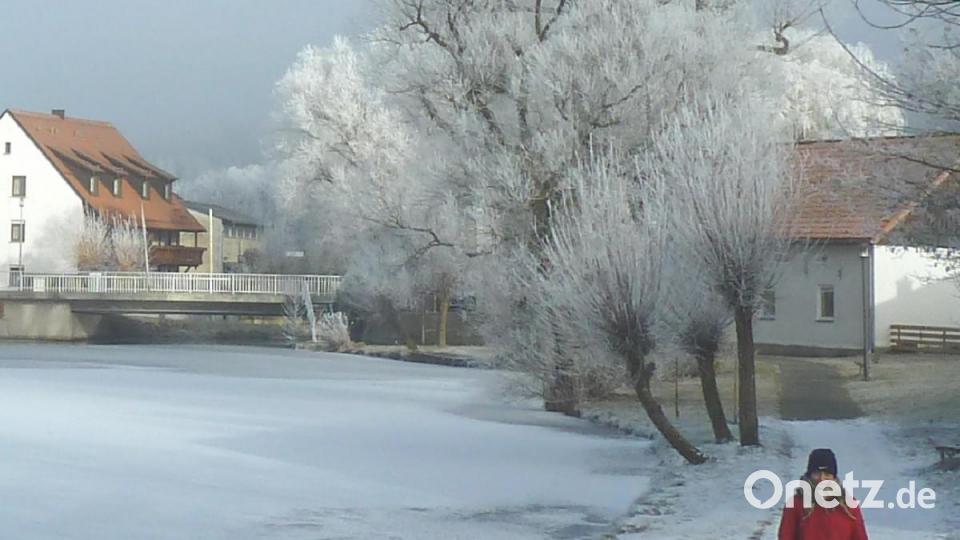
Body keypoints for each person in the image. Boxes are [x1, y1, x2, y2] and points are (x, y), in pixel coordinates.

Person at [778, 448, 870, 540]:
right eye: (817, 473)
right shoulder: (796, 503)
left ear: (833, 476)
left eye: (827, 474)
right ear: (810, 475)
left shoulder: (848, 505)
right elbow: (786, 536)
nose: (822, 478)